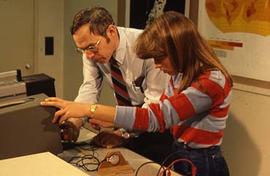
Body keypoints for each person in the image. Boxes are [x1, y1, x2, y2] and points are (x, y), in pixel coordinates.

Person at [41, 11, 232, 176]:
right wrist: (112, 128)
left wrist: (90, 110)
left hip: (203, 161)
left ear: (180, 50)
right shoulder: (178, 75)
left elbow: (155, 117)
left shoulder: (210, 82)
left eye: (159, 58)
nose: (157, 65)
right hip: (180, 152)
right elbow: (156, 112)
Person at [62, 7, 172, 163]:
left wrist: (122, 132)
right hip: (130, 127)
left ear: (111, 32)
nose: (88, 55)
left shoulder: (147, 46)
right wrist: (74, 123)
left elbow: (154, 110)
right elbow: (90, 88)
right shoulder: (90, 52)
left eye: (91, 47)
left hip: (160, 131)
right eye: (82, 50)